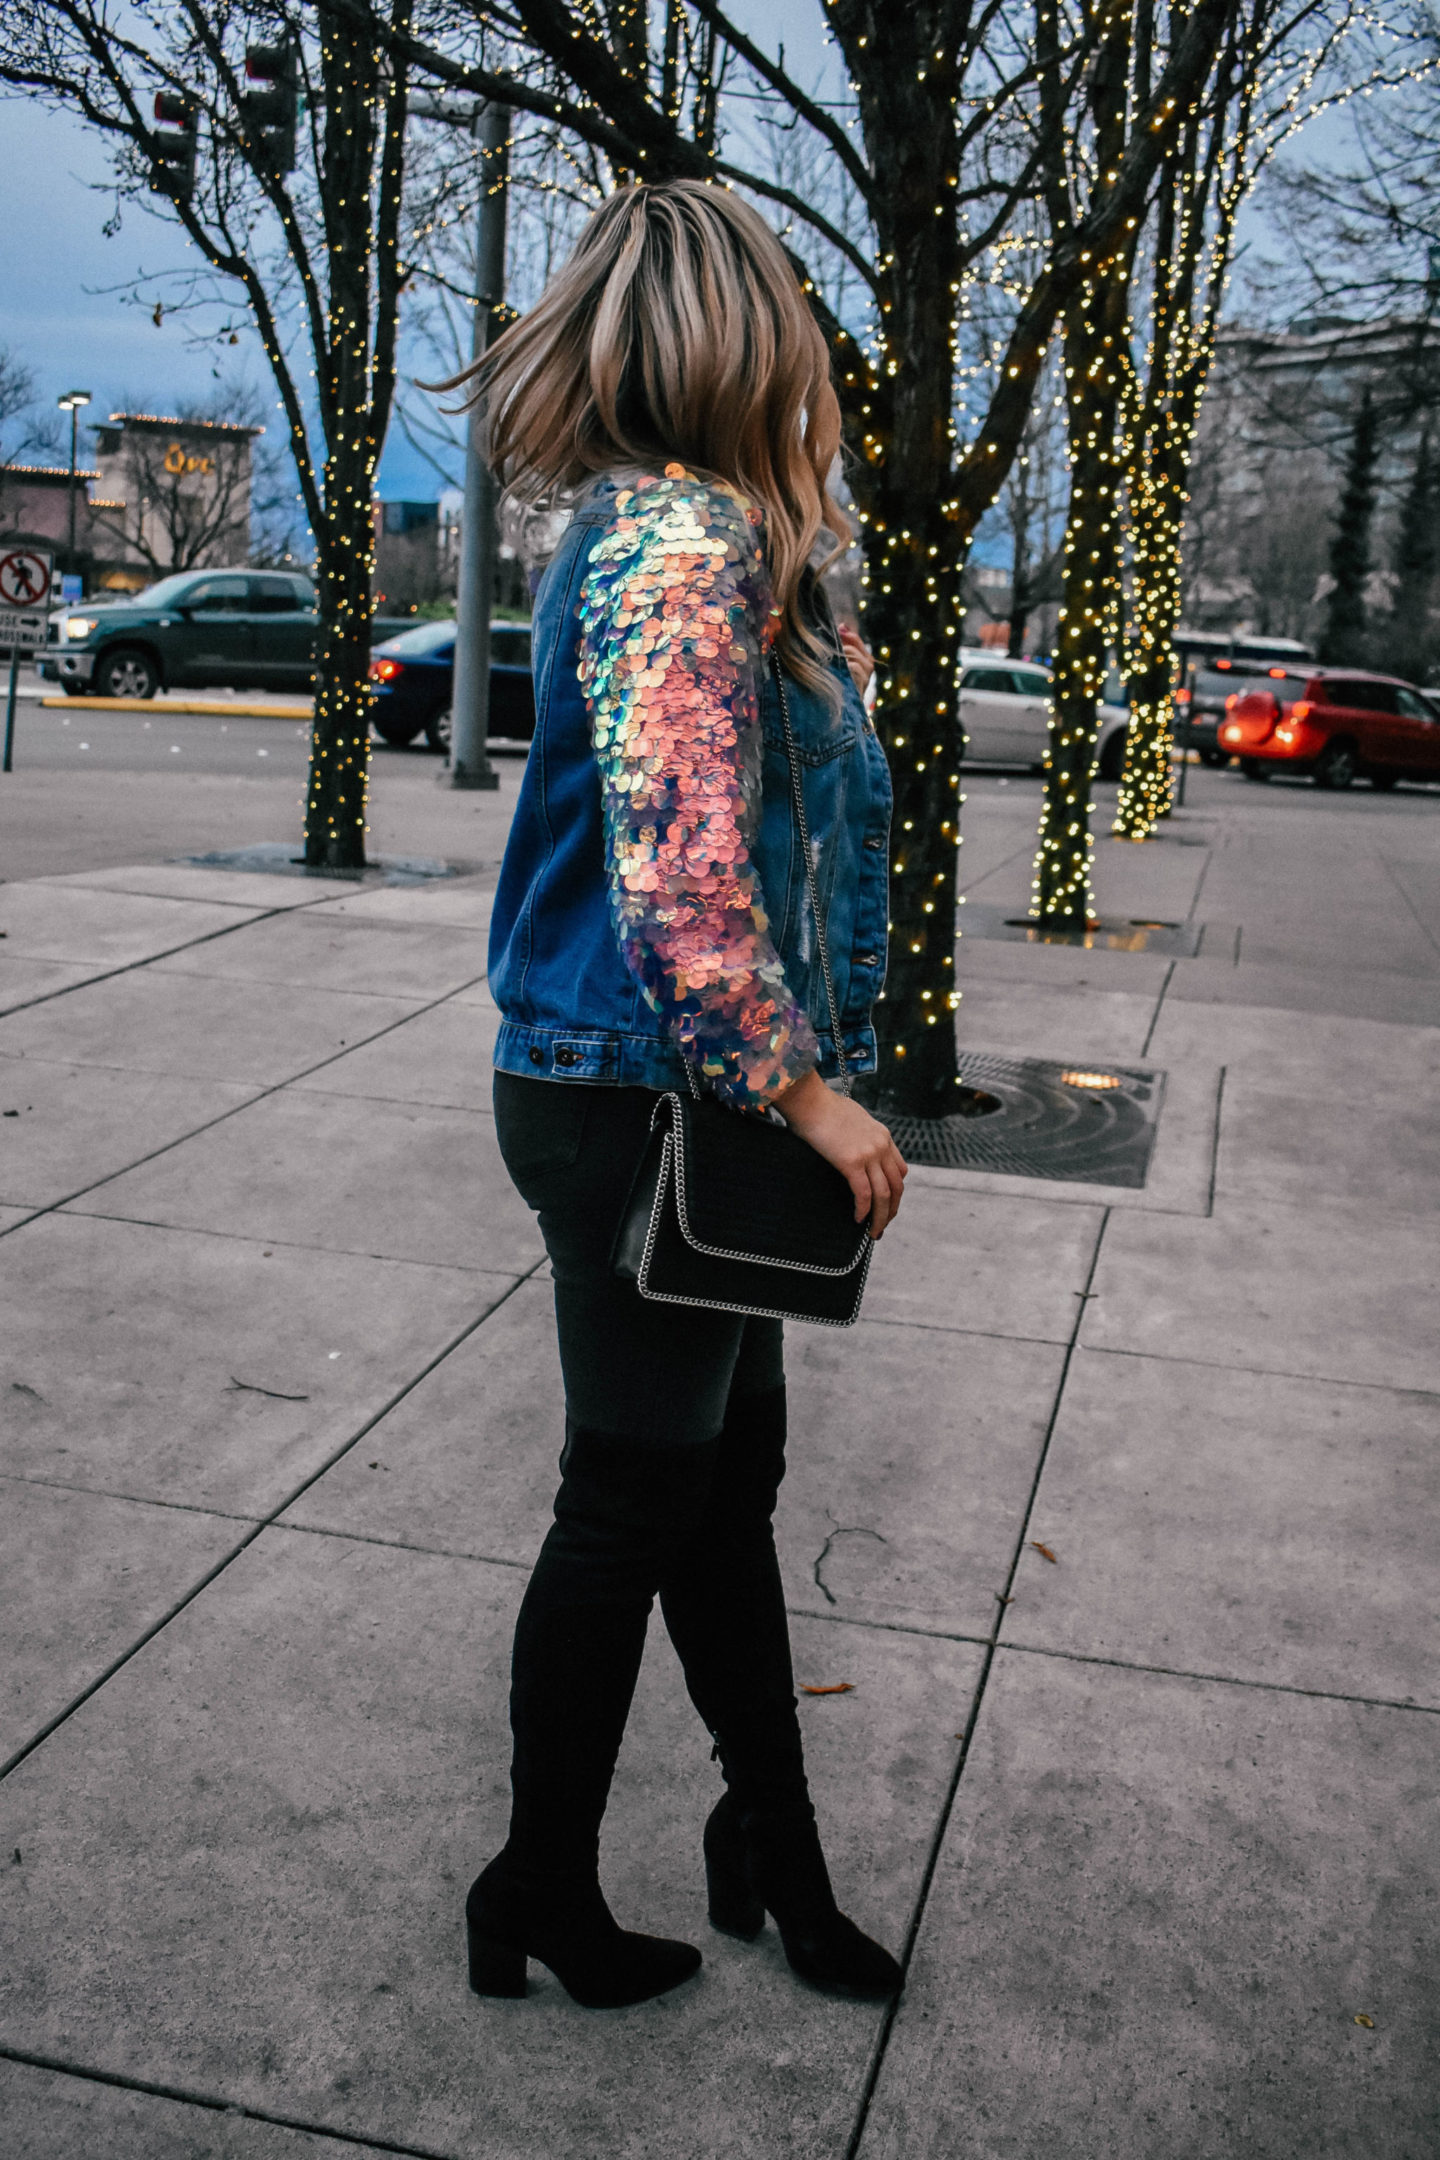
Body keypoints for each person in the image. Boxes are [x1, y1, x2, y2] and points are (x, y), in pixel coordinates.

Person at [450, 180, 905, 2012]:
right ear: (739, 332)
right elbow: (681, 877)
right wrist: (812, 1096)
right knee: (633, 1497)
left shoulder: (719, 540)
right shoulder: (676, 545)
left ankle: (765, 1847)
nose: (808, 347)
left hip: (656, 1092)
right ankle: (538, 1883)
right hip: (648, 1095)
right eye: (790, 312)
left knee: (725, 1483)